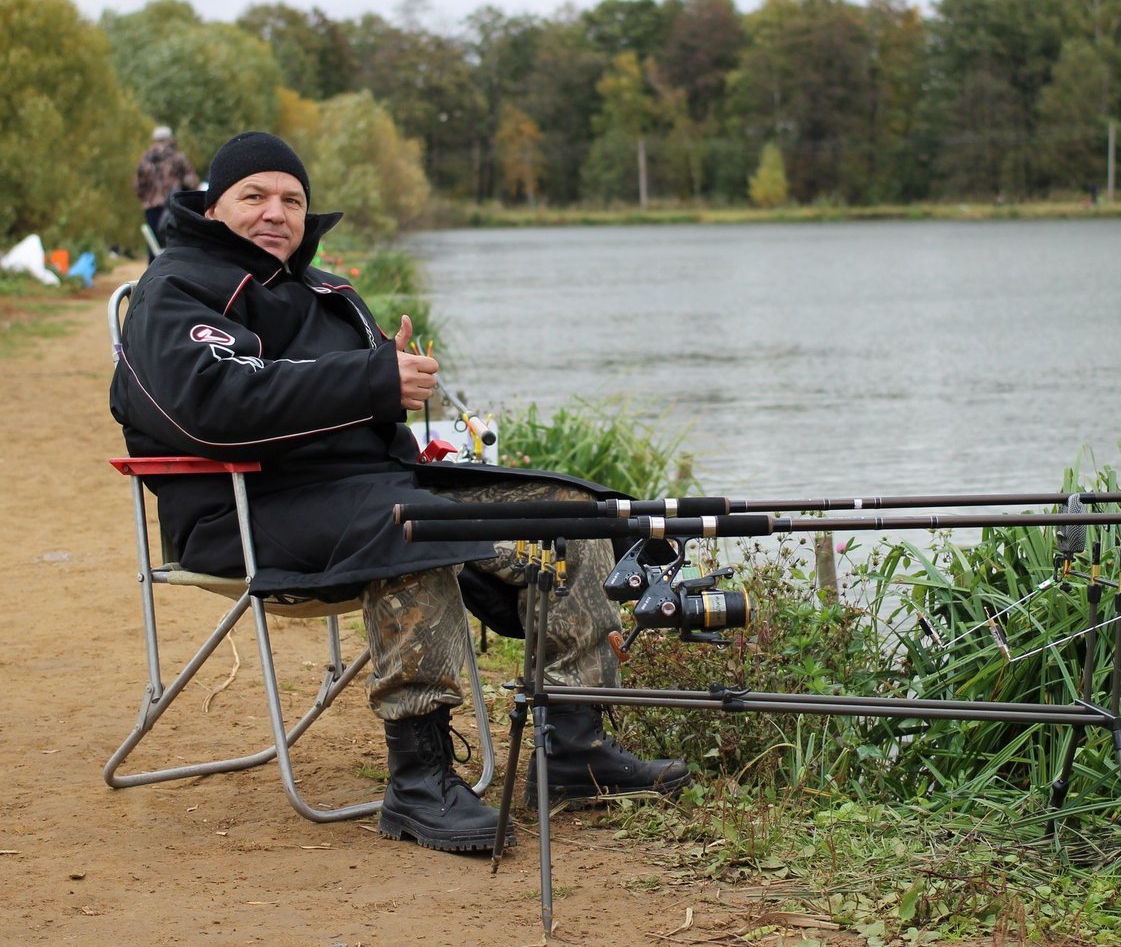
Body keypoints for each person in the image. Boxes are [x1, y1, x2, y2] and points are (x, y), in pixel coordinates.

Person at [109, 130, 689, 853]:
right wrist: (372, 379)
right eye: (253, 196)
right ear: (212, 205)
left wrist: (394, 388)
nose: (276, 212)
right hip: (242, 510)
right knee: (414, 524)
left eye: (292, 199)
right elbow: (207, 402)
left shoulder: (328, 292)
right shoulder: (176, 285)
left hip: (365, 492)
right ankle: (419, 780)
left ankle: (574, 747)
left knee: (570, 512)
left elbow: (366, 417)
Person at [134, 126, 199, 261]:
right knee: (175, 241)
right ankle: (175, 274)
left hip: (151, 206)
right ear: (169, 139)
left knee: (153, 245)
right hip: (174, 205)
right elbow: (191, 181)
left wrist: (147, 197)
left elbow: (137, 186)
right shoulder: (178, 158)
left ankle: (153, 277)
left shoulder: (145, 160)